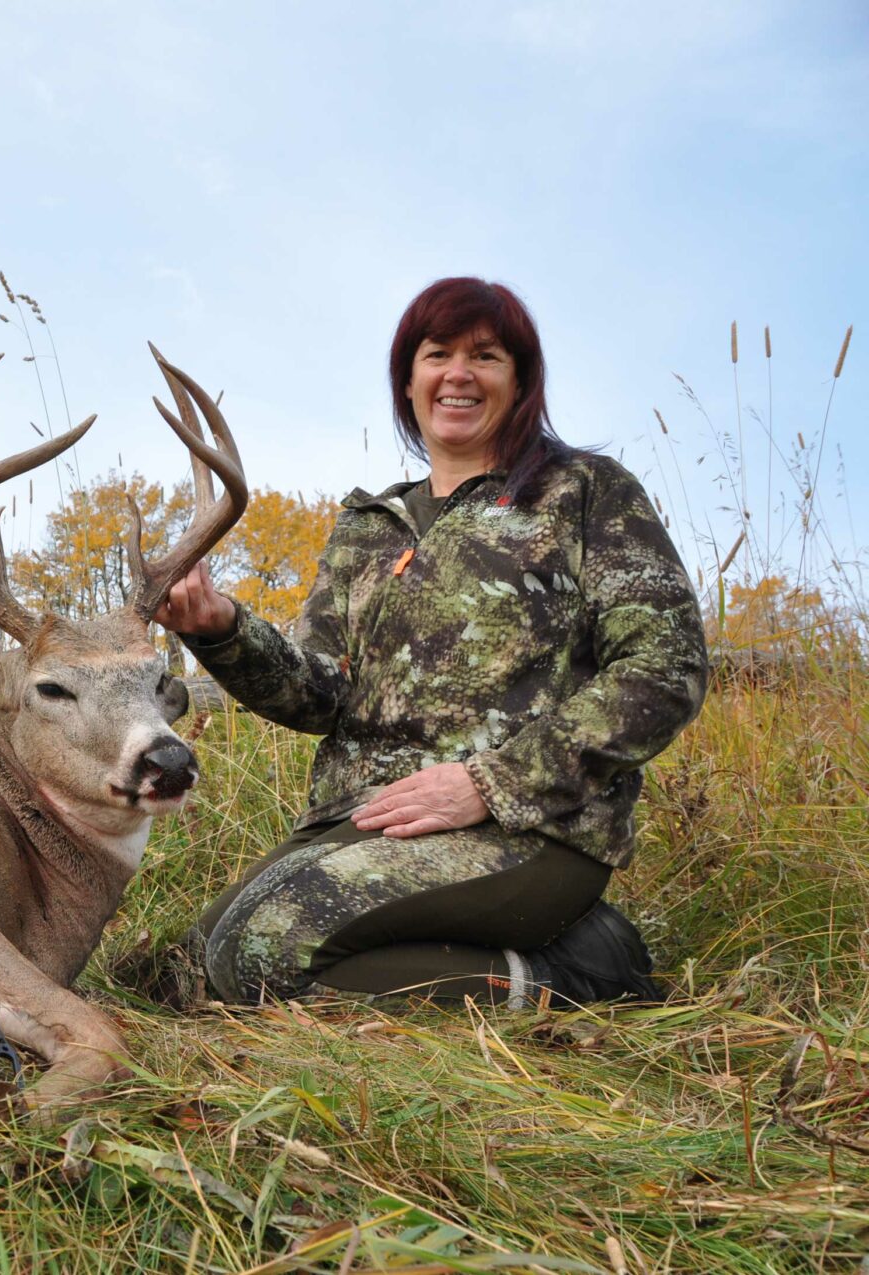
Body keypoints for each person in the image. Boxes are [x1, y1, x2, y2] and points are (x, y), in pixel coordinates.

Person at [155, 277, 708, 1008]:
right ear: (408, 381)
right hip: (363, 822)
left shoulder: (584, 492)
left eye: (486, 356)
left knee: (259, 953)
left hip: (529, 829)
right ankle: (544, 949)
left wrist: (491, 783)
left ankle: (579, 976)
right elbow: (319, 692)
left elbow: (666, 669)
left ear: (522, 382)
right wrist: (222, 630)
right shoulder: (367, 526)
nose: (458, 373)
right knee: (178, 976)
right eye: (437, 352)